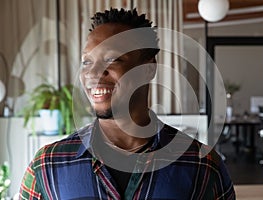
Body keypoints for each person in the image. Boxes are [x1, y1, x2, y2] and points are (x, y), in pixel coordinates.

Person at [19, 8, 235, 200]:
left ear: (149, 69)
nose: (93, 73)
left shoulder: (202, 166)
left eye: (112, 59)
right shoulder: (47, 166)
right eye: (87, 62)